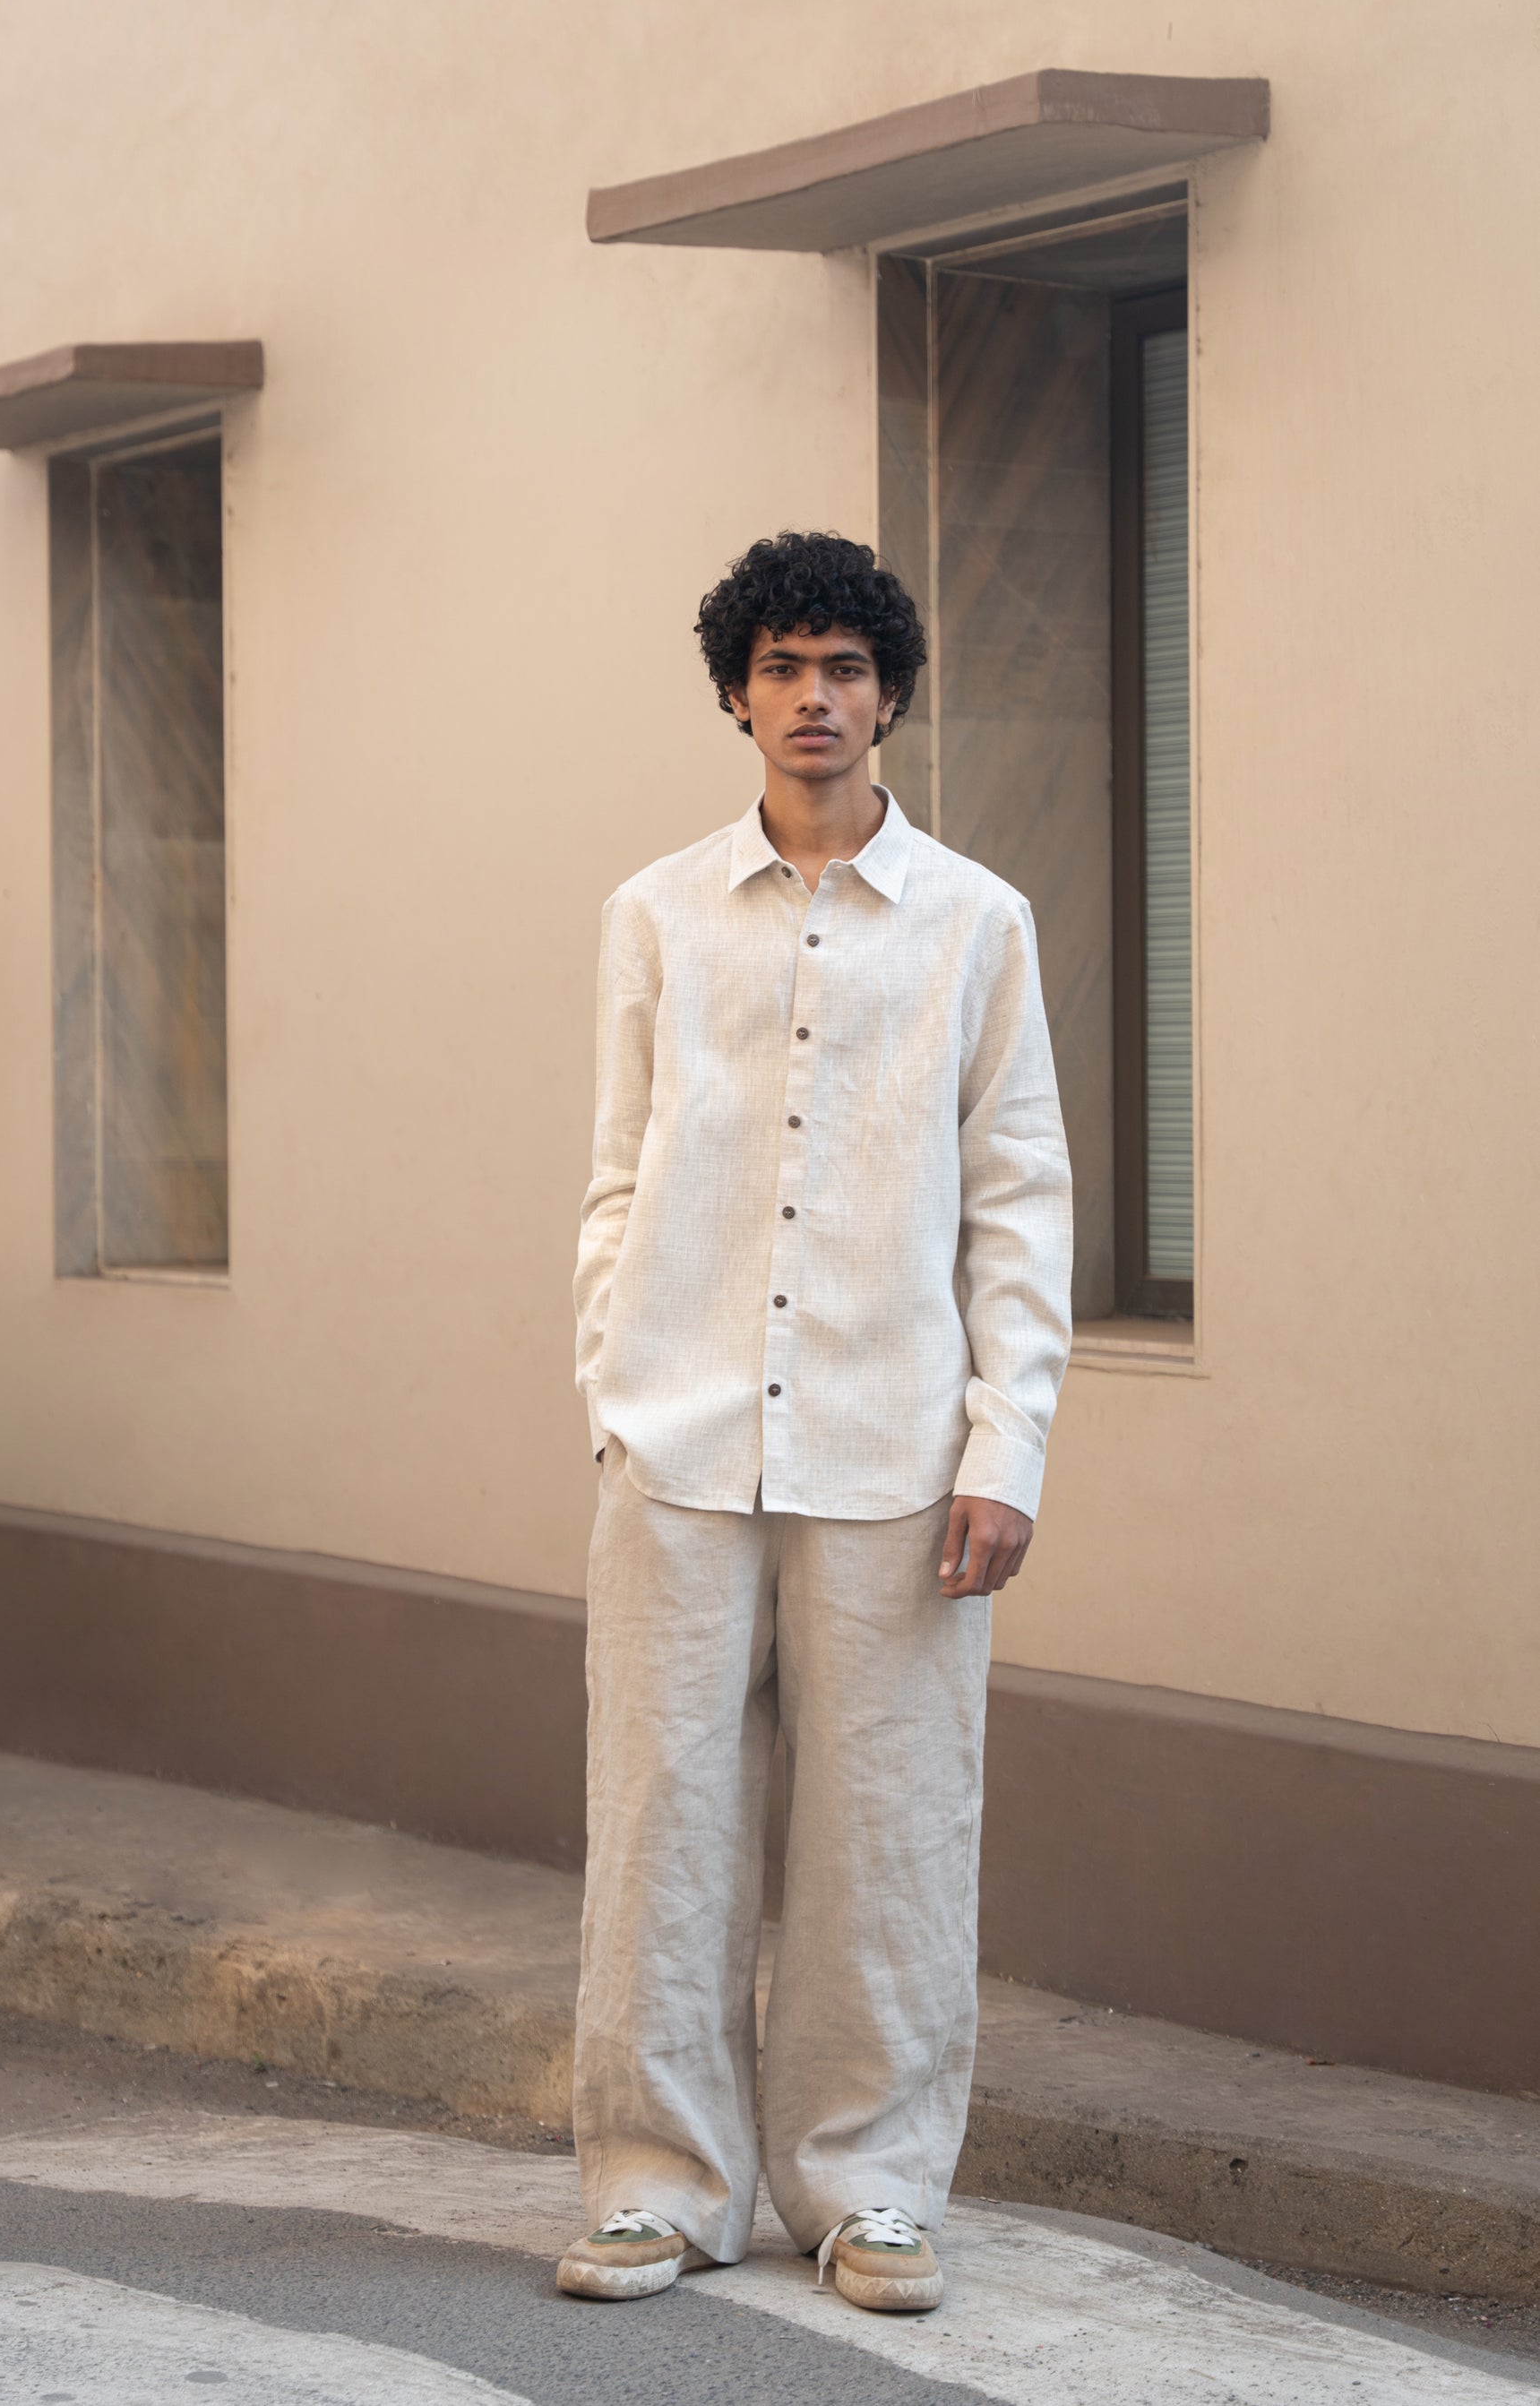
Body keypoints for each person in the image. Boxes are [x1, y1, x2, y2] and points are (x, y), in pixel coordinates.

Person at [559, 531, 1071, 2314]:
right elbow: (619, 1178)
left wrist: (1005, 1446)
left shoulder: (977, 925)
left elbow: (1018, 1198)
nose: (813, 697)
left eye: (845, 666)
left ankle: (870, 2187)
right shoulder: (655, 914)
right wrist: (608, 1385)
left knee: (894, 1835)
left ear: (890, 692)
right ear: (735, 691)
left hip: (894, 1452)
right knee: (663, 1821)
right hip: (678, 1440)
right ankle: (655, 2179)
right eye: (782, 665)